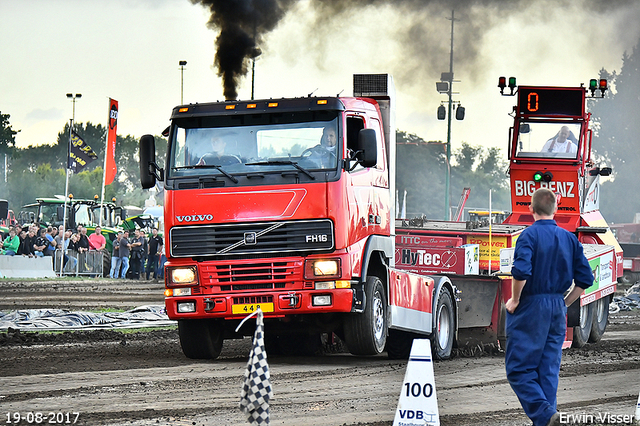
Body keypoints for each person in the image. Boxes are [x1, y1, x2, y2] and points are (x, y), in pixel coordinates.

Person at [505, 188, 594, 426]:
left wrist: (514, 299)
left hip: (532, 306)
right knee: (548, 369)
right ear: (556, 209)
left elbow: (521, 271)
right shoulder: (569, 238)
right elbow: (585, 279)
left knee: (519, 369)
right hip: (556, 307)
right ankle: (548, 419)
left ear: (530, 209)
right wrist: (564, 303)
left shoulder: (528, 236)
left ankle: (545, 416)